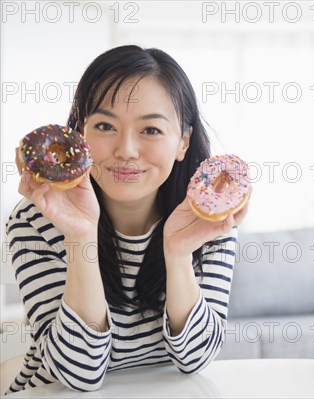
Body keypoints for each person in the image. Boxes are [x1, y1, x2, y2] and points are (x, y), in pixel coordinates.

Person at [5, 45, 250, 394]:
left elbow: (195, 359)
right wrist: (80, 236)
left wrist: (178, 254)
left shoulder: (209, 217)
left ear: (183, 142)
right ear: (80, 133)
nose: (126, 150)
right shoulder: (36, 221)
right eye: (105, 125)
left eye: (150, 130)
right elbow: (80, 374)